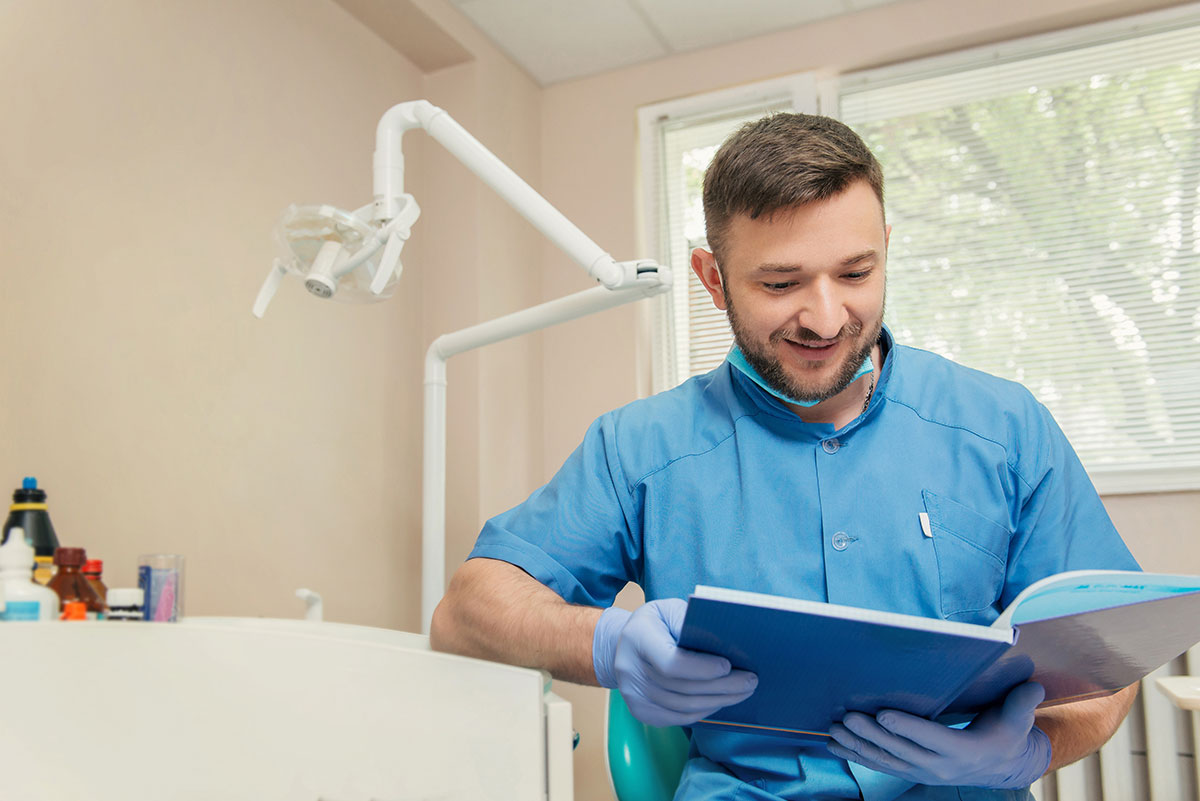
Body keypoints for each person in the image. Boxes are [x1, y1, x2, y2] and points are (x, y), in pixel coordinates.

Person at [430, 113, 1140, 801]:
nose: (826, 318)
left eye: (856, 273)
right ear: (713, 279)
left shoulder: (1004, 426)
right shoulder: (641, 446)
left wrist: (1032, 749)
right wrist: (605, 640)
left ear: (885, 248)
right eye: (780, 283)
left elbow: (1113, 660)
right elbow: (465, 615)